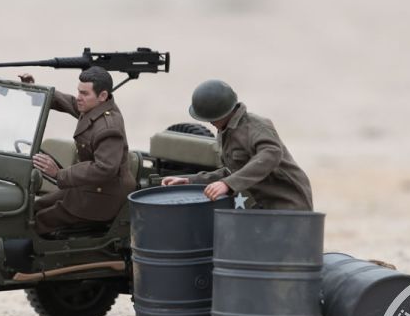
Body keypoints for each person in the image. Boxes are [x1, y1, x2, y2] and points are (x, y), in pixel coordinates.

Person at [19, 67, 136, 235]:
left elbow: (105, 168)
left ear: (102, 96)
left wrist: (59, 174)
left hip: (104, 197)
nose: (79, 98)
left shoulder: (109, 128)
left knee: (39, 221)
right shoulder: (95, 107)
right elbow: (69, 102)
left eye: (84, 94)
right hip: (89, 188)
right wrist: (36, 90)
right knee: (34, 207)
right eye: (79, 92)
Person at [162, 80, 313, 210]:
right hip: (262, 207)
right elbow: (232, 171)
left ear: (223, 114)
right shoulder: (226, 131)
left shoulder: (255, 127)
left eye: (211, 118)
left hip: (288, 206)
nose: (209, 123)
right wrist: (191, 181)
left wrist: (228, 184)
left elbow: (271, 154)